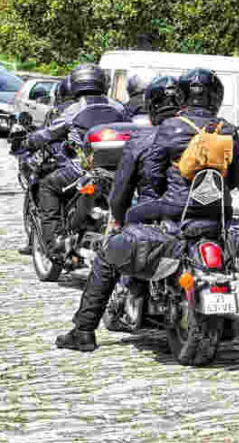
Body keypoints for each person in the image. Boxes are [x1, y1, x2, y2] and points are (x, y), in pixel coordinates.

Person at [55, 76, 184, 352]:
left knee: (107, 256)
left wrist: (118, 217)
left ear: (151, 105)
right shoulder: (202, 137)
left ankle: (84, 330)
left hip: (153, 218)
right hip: (199, 219)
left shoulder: (142, 140)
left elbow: (121, 191)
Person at [25, 64, 128, 264]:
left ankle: (56, 244)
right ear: (102, 82)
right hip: (119, 170)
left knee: (48, 186)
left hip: (83, 170)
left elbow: (49, 133)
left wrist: (30, 141)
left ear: (74, 84)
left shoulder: (73, 110)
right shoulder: (118, 107)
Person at [126, 68, 239, 225]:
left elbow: (153, 172)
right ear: (216, 97)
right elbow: (237, 175)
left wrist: (169, 193)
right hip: (220, 209)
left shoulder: (170, 126)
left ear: (181, 96)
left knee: (132, 216)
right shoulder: (227, 129)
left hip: (175, 207)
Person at [16, 76, 73, 256]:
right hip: (96, 165)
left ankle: (49, 244)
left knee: (42, 185)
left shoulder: (61, 112)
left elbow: (45, 134)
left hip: (65, 164)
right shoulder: (108, 107)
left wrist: (28, 142)